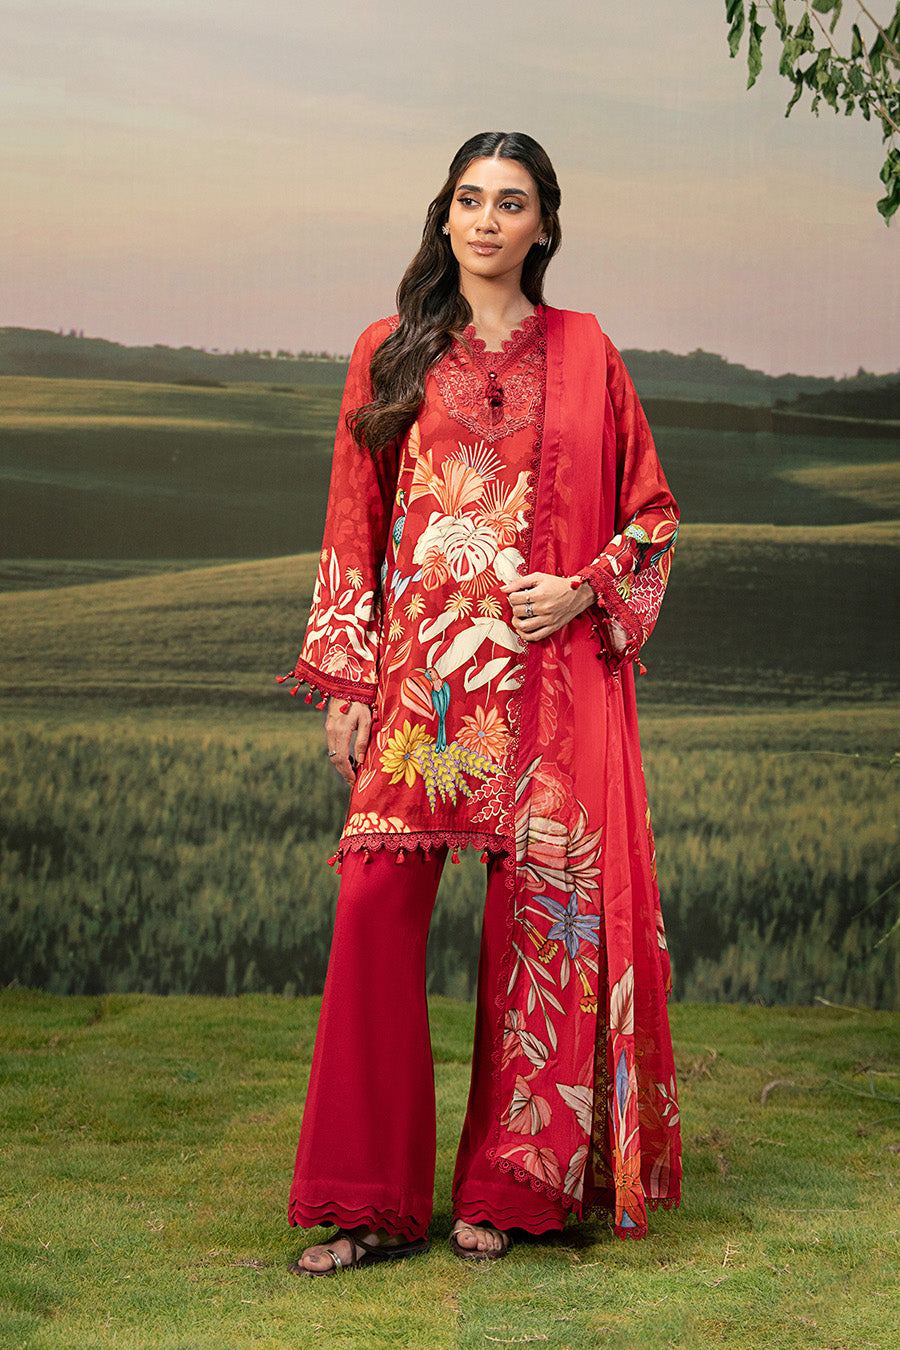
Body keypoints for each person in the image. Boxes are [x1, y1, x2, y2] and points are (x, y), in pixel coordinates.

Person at [279, 131, 681, 1276]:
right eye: (470, 199)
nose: (489, 220)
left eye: (512, 202)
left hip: (548, 692)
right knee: (371, 914)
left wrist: (583, 588)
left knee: (539, 936)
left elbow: (651, 517)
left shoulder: (589, 354)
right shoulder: (389, 350)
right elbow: (354, 519)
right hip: (422, 691)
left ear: (544, 225)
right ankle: (370, 1200)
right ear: (445, 216)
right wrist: (346, 677)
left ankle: (511, 1189)